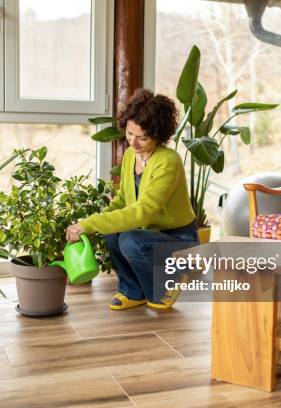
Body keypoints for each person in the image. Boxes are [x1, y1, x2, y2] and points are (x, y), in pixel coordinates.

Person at [66, 88, 197, 310]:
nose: (133, 143)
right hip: (148, 235)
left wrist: (88, 225)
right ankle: (133, 291)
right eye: (129, 134)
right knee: (114, 232)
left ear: (158, 135)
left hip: (178, 239)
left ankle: (169, 281)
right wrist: (91, 223)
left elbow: (143, 211)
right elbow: (123, 201)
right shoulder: (130, 156)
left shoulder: (168, 162)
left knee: (130, 240)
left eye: (142, 137)